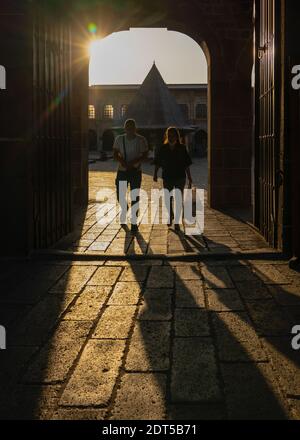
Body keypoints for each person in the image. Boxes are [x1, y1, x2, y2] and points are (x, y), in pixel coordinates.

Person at [153, 127, 193, 232]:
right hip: (167, 176)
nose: (171, 138)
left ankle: (176, 221)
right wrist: (155, 174)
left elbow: (186, 164)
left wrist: (189, 177)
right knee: (167, 199)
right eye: (169, 136)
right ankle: (170, 215)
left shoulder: (182, 148)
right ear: (167, 136)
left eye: (173, 136)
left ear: (177, 136)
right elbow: (158, 162)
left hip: (180, 177)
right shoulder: (163, 148)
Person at [113, 119, 149, 234]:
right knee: (120, 195)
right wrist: (123, 162)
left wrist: (133, 163)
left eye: (131, 127)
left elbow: (144, 155)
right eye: (127, 127)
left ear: (135, 128)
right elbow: (115, 153)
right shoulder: (119, 139)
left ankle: (134, 222)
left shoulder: (141, 140)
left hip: (135, 171)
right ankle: (126, 210)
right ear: (125, 128)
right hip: (122, 170)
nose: (129, 129)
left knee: (135, 197)